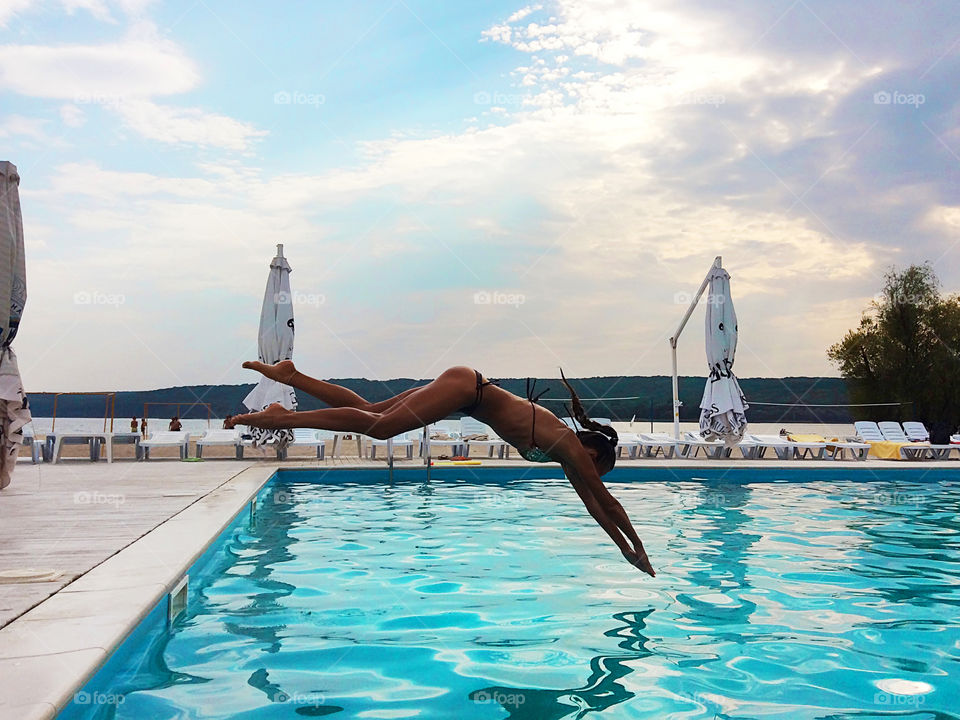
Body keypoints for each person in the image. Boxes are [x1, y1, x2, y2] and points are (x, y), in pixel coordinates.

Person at [226, 361, 655, 575]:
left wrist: (624, 550)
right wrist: (636, 546)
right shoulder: (568, 445)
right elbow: (608, 503)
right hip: (466, 387)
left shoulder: (565, 449)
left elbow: (594, 505)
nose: (593, 477)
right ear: (594, 456)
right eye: (600, 471)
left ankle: (292, 376)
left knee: (370, 411)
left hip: (465, 389)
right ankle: (279, 416)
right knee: (378, 428)